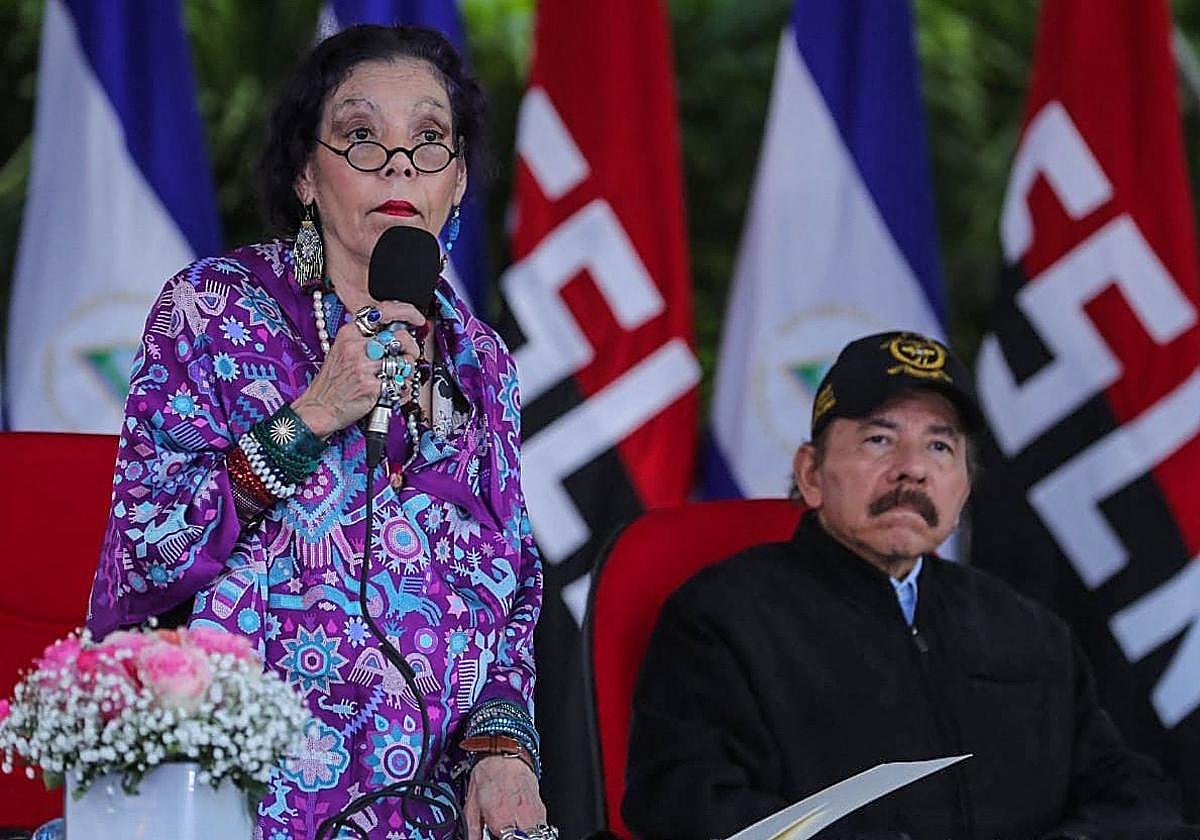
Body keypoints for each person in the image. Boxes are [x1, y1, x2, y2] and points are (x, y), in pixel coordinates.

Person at [86, 24, 554, 840]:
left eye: (429, 141)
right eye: (362, 137)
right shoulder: (211, 313)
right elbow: (142, 561)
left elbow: (511, 594)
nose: (401, 165)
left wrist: (502, 751)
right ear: (306, 174)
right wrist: (313, 414)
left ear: (458, 180)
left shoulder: (483, 365)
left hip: (434, 810)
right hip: (232, 793)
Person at [622, 331, 1192, 840]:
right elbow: (684, 803)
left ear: (965, 489)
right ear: (811, 474)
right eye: (878, 440)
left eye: (940, 446)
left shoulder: (1029, 632)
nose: (912, 468)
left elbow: (1135, 796)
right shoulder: (721, 617)